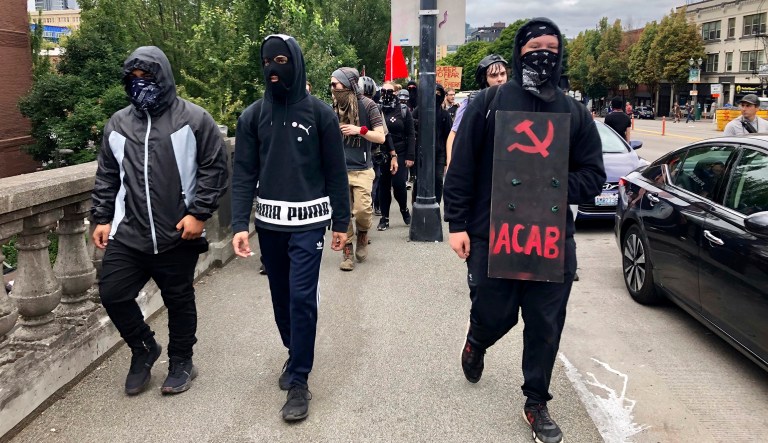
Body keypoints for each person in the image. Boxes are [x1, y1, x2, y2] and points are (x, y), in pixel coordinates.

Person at [443, 18, 605, 443]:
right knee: (495, 313)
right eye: (535, 46)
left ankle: (536, 400)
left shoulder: (574, 113)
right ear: (519, 51)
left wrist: (549, 180)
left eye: (551, 47)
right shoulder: (488, 103)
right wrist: (456, 223)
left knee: (545, 322)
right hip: (491, 233)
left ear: (561, 53)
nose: (543, 53)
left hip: (550, 241)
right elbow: (462, 168)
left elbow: (593, 176)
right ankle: (478, 339)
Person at [91, 46, 229, 396]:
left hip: (176, 232)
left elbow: (215, 168)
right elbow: (108, 174)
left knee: (179, 299)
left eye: (147, 78)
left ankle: (182, 360)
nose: (140, 85)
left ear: (163, 77)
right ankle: (143, 348)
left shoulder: (194, 119)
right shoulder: (118, 124)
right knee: (113, 293)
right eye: (133, 79)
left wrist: (198, 213)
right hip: (130, 232)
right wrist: (103, 217)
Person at [231, 34, 350, 422]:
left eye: (281, 60)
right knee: (280, 296)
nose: (273, 69)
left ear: (295, 63)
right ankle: (293, 350)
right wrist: (238, 225)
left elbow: (336, 171)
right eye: (267, 62)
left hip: (309, 224)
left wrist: (341, 223)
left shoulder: (320, 114)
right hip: (269, 224)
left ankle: (300, 378)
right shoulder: (252, 116)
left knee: (301, 296)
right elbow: (244, 173)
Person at [331, 67, 386, 271]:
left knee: (362, 211)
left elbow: (380, 136)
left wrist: (359, 130)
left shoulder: (368, 105)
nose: (333, 89)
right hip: (339, 170)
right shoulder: (334, 107)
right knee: (343, 213)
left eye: (336, 84)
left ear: (348, 84)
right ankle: (347, 252)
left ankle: (362, 233)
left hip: (362, 168)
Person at [446, 54, 509, 168]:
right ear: (484, 79)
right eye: (494, 75)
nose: (500, 79)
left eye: (503, 74)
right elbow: (454, 134)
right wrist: (451, 163)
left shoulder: (514, 99)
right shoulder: (471, 101)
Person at [377, 81, 415, 230]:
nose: (386, 94)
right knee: (383, 185)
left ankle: (404, 210)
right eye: (383, 91)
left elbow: (411, 134)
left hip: (400, 151)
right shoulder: (377, 108)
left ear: (396, 92)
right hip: (382, 152)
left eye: (389, 91)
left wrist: (410, 156)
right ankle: (384, 218)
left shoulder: (403, 110)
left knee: (399, 184)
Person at [412, 83, 452, 204]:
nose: (436, 96)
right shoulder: (419, 111)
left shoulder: (444, 115)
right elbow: (411, 128)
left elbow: (448, 137)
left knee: (438, 179)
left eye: (439, 94)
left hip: (438, 153)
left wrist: (447, 159)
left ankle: (437, 204)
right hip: (421, 152)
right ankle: (416, 204)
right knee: (419, 180)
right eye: (433, 94)